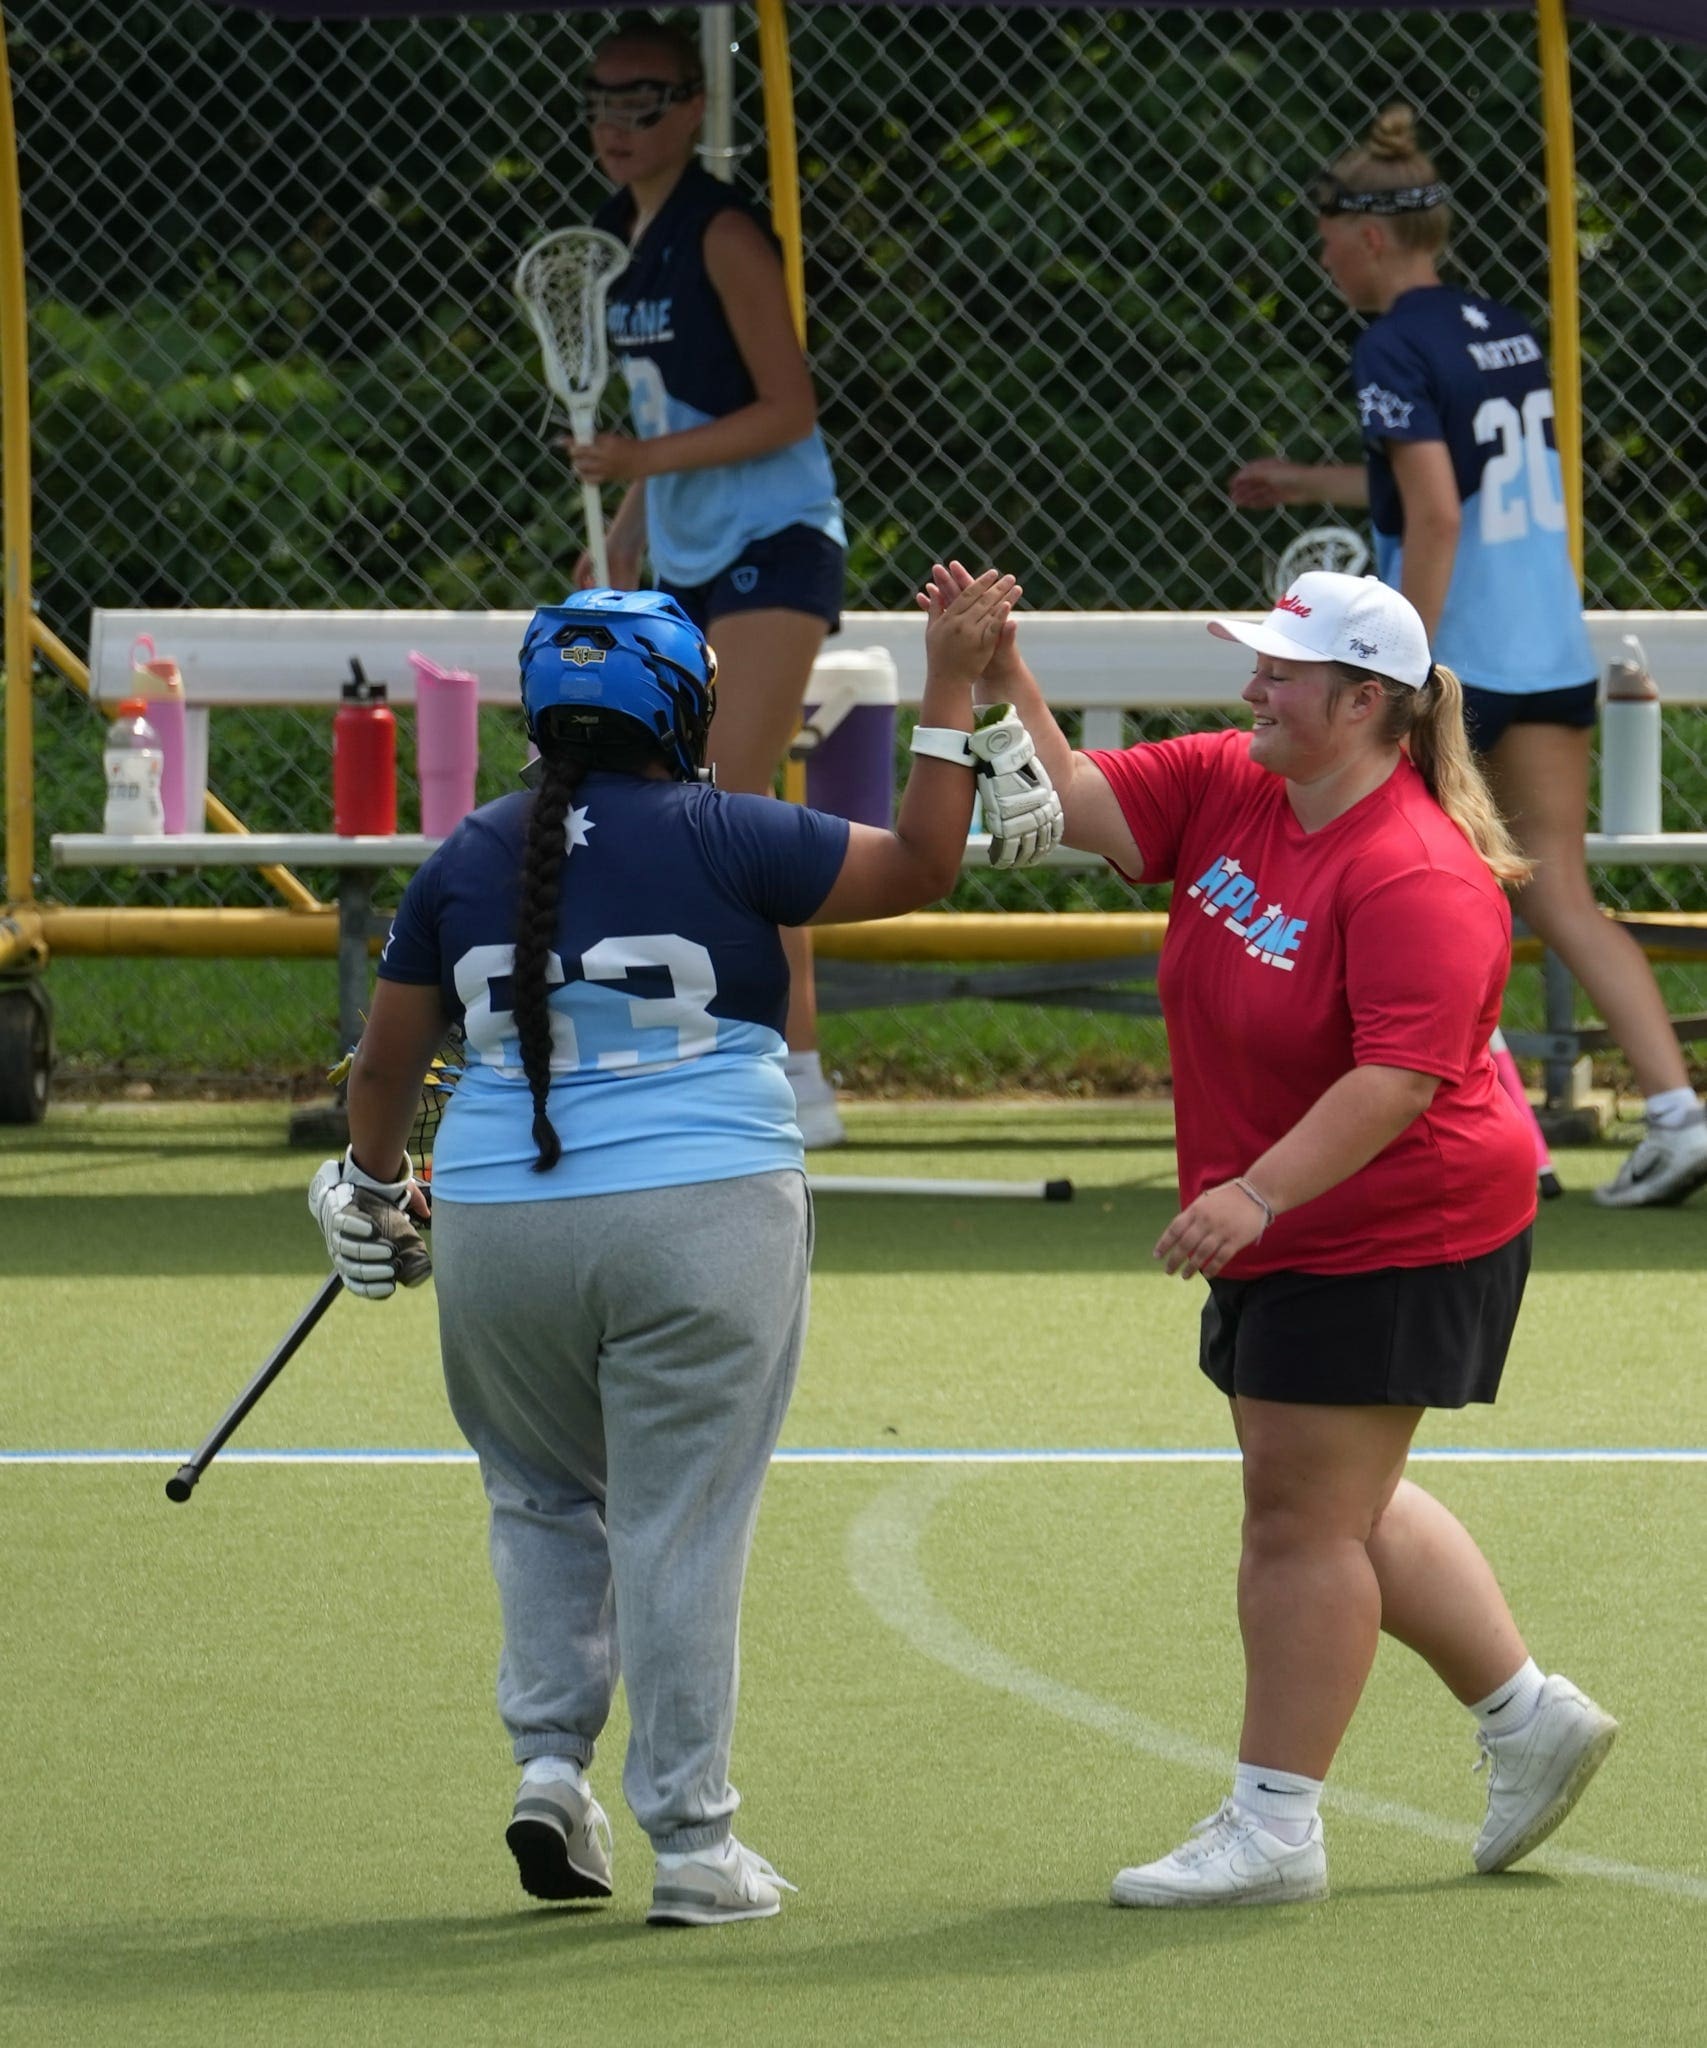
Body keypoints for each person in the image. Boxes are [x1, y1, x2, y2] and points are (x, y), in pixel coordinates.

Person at [307, 575, 1017, 1923]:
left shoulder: (466, 854)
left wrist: (374, 1185)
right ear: (685, 710)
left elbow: (385, 1067)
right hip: (705, 1208)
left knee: (538, 1496)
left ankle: (548, 1768)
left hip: (500, 1222)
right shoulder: (733, 829)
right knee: (677, 1520)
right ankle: (692, 1840)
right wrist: (948, 681)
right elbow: (927, 862)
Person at [925, 559, 1619, 1906]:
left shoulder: (1416, 870)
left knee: (1297, 1518)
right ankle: (1526, 1714)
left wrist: (1254, 1193)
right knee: (1336, 1493)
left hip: (1398, 1222)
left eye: (1281, 673)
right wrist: (997, 667)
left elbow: (1395, 1079)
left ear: (1362, 704)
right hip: (1302, 1213)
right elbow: (1075, 803)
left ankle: (1274, 1827)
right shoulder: (1232, 779)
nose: (1252, 687)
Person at [1229, 102, 1707, 1208]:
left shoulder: (1389, 344)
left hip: (1458, 660)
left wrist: (1395, 666)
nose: (1322, 260)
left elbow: (1437, 514)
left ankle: (1497, 1137)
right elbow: (1462, 482)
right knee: (1557, 892)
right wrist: (1309, 482)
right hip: (1548, 644)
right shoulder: (1504, 326)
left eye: (1327, 240)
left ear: (1370, 237)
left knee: (1413, 891)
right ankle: (1677, 1116)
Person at [565, 17, 851, 1148]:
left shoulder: (723, 231)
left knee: (728, 798)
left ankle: (798, 1075)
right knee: (678, 796)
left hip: (775, 536)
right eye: (601, 101)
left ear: (691, 106)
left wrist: (640, 463)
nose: (617, 124)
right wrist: (623, 533)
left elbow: (788, 408)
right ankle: (705, 1055)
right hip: (682, 553)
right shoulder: (612, 239)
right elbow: (656, 413)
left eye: (643, 102)